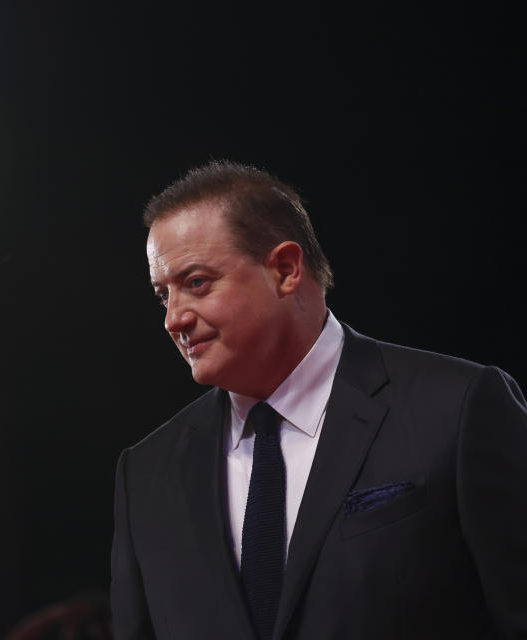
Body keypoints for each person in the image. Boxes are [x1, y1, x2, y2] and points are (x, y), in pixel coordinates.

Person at [110, 160, 527, 639]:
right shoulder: (142, 476)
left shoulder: (459, 408)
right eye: (164, 295)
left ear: (285, 269)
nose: (174, 319)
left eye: (197, 283)